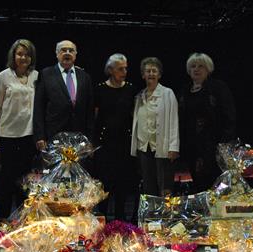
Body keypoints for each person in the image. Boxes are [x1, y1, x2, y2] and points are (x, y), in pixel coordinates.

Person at [0, 39, 39, 218]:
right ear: (13, 55)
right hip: (8, 134)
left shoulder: (36, 76)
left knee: (25, 180)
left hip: (29, 134)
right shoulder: (3, 76)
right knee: (8, 179)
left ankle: (22, 218)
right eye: (19, 54)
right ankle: (4, 218)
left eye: (26, 54)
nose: (23, 57)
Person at [179, 52, 236, 193]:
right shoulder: (185, 90)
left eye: (200, 66)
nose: (196, 69)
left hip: (213, 145)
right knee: (197, 183)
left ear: (208, 69)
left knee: (213, 184)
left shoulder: (218, 87)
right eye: (193, 66)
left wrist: (224, 143)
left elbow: (229, 116)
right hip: (192, 145)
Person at [93, 53, 138, 221]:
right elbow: (95, 119)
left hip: (125, 144)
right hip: (105, 144)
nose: (124, 71)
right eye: (120, 68)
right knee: (105, 184)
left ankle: (120, 221)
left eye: (126, 68)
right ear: (110, 70)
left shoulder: (130, 89)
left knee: (123, 185)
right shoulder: (100, 89)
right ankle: (103, 220)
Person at [130, 57, 180, 197]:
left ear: (159, 74)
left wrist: (173, 147)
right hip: (144, 148)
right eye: (148, 71)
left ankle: (164, 216)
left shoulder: (167, 93)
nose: (151, 74)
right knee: (148, 185)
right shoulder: (139, 96)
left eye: (154, 71)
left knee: (165, 186)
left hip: (162, 148)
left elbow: (174, 121)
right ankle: (151, 216)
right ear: (143, 75)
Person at [33, 40, 94, 151]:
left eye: (71, 50)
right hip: (53, 136)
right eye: (63, 50)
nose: (67, 53)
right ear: (57, 54)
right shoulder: (46, 74)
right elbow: (38, 107)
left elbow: (89, 111)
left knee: (78, 168)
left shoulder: (85, 77)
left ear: (75, 55)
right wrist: (40, 136)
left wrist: (89, 139)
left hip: (79, 138)